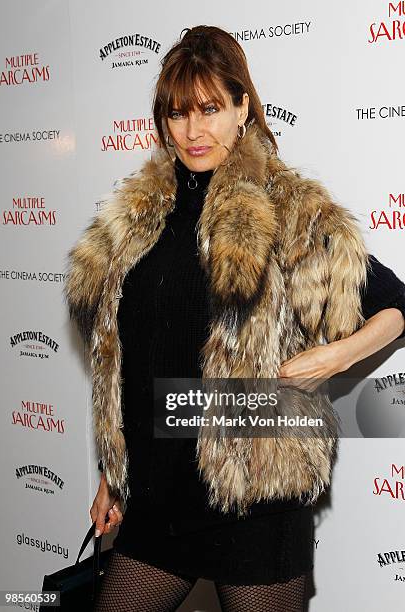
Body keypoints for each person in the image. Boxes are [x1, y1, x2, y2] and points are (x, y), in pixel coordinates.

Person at [64, 25, 405, 612]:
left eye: (210, 109)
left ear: (243, 105)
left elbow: (396, 303)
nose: (193, 131)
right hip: (158, 500)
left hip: (256, 498)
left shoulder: (286, 204)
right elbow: (140, 358)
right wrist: (115, 471)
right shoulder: (139, 220)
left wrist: (335, 356)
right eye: (177, 113)